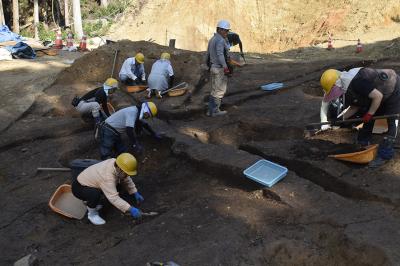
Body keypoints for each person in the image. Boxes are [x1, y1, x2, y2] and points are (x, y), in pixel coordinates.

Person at [320, 67, 400, 167]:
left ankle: (385, 154)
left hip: (393, 89)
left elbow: (378, 96)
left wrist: (370, 114)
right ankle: (363, 143)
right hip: (378, 93)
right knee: (369, 114)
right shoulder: (346, 88)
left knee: (391, 120)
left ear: (337, 84)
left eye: (332, 90)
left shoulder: (357, 82)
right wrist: (340, 119)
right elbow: (354, 107)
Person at [72, 153, 144, 225]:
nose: (127, 176)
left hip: (91, 183)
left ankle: (94, 202)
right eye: (126, 173)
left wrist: (134, 192)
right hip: (79, 188)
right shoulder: (107, 177)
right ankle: (92, 214)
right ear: (119, 169)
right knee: (94, 194)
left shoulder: (117, 163)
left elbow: (126, 178)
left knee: (118, 184)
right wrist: (130, 209)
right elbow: (113, 198)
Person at [206, 20, 232, 117]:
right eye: (226, 31)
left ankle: (210, 111)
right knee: (220, 90)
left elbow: (207, 54)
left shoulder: (212, 39)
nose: (227, 33)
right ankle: (215, 111)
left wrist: (207, 65)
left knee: (214, 90)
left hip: (213, 67)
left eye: (227, 31)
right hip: (219, 68)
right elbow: (220, 55)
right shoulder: (220, 40)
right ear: (220, 30)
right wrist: (225, 67)